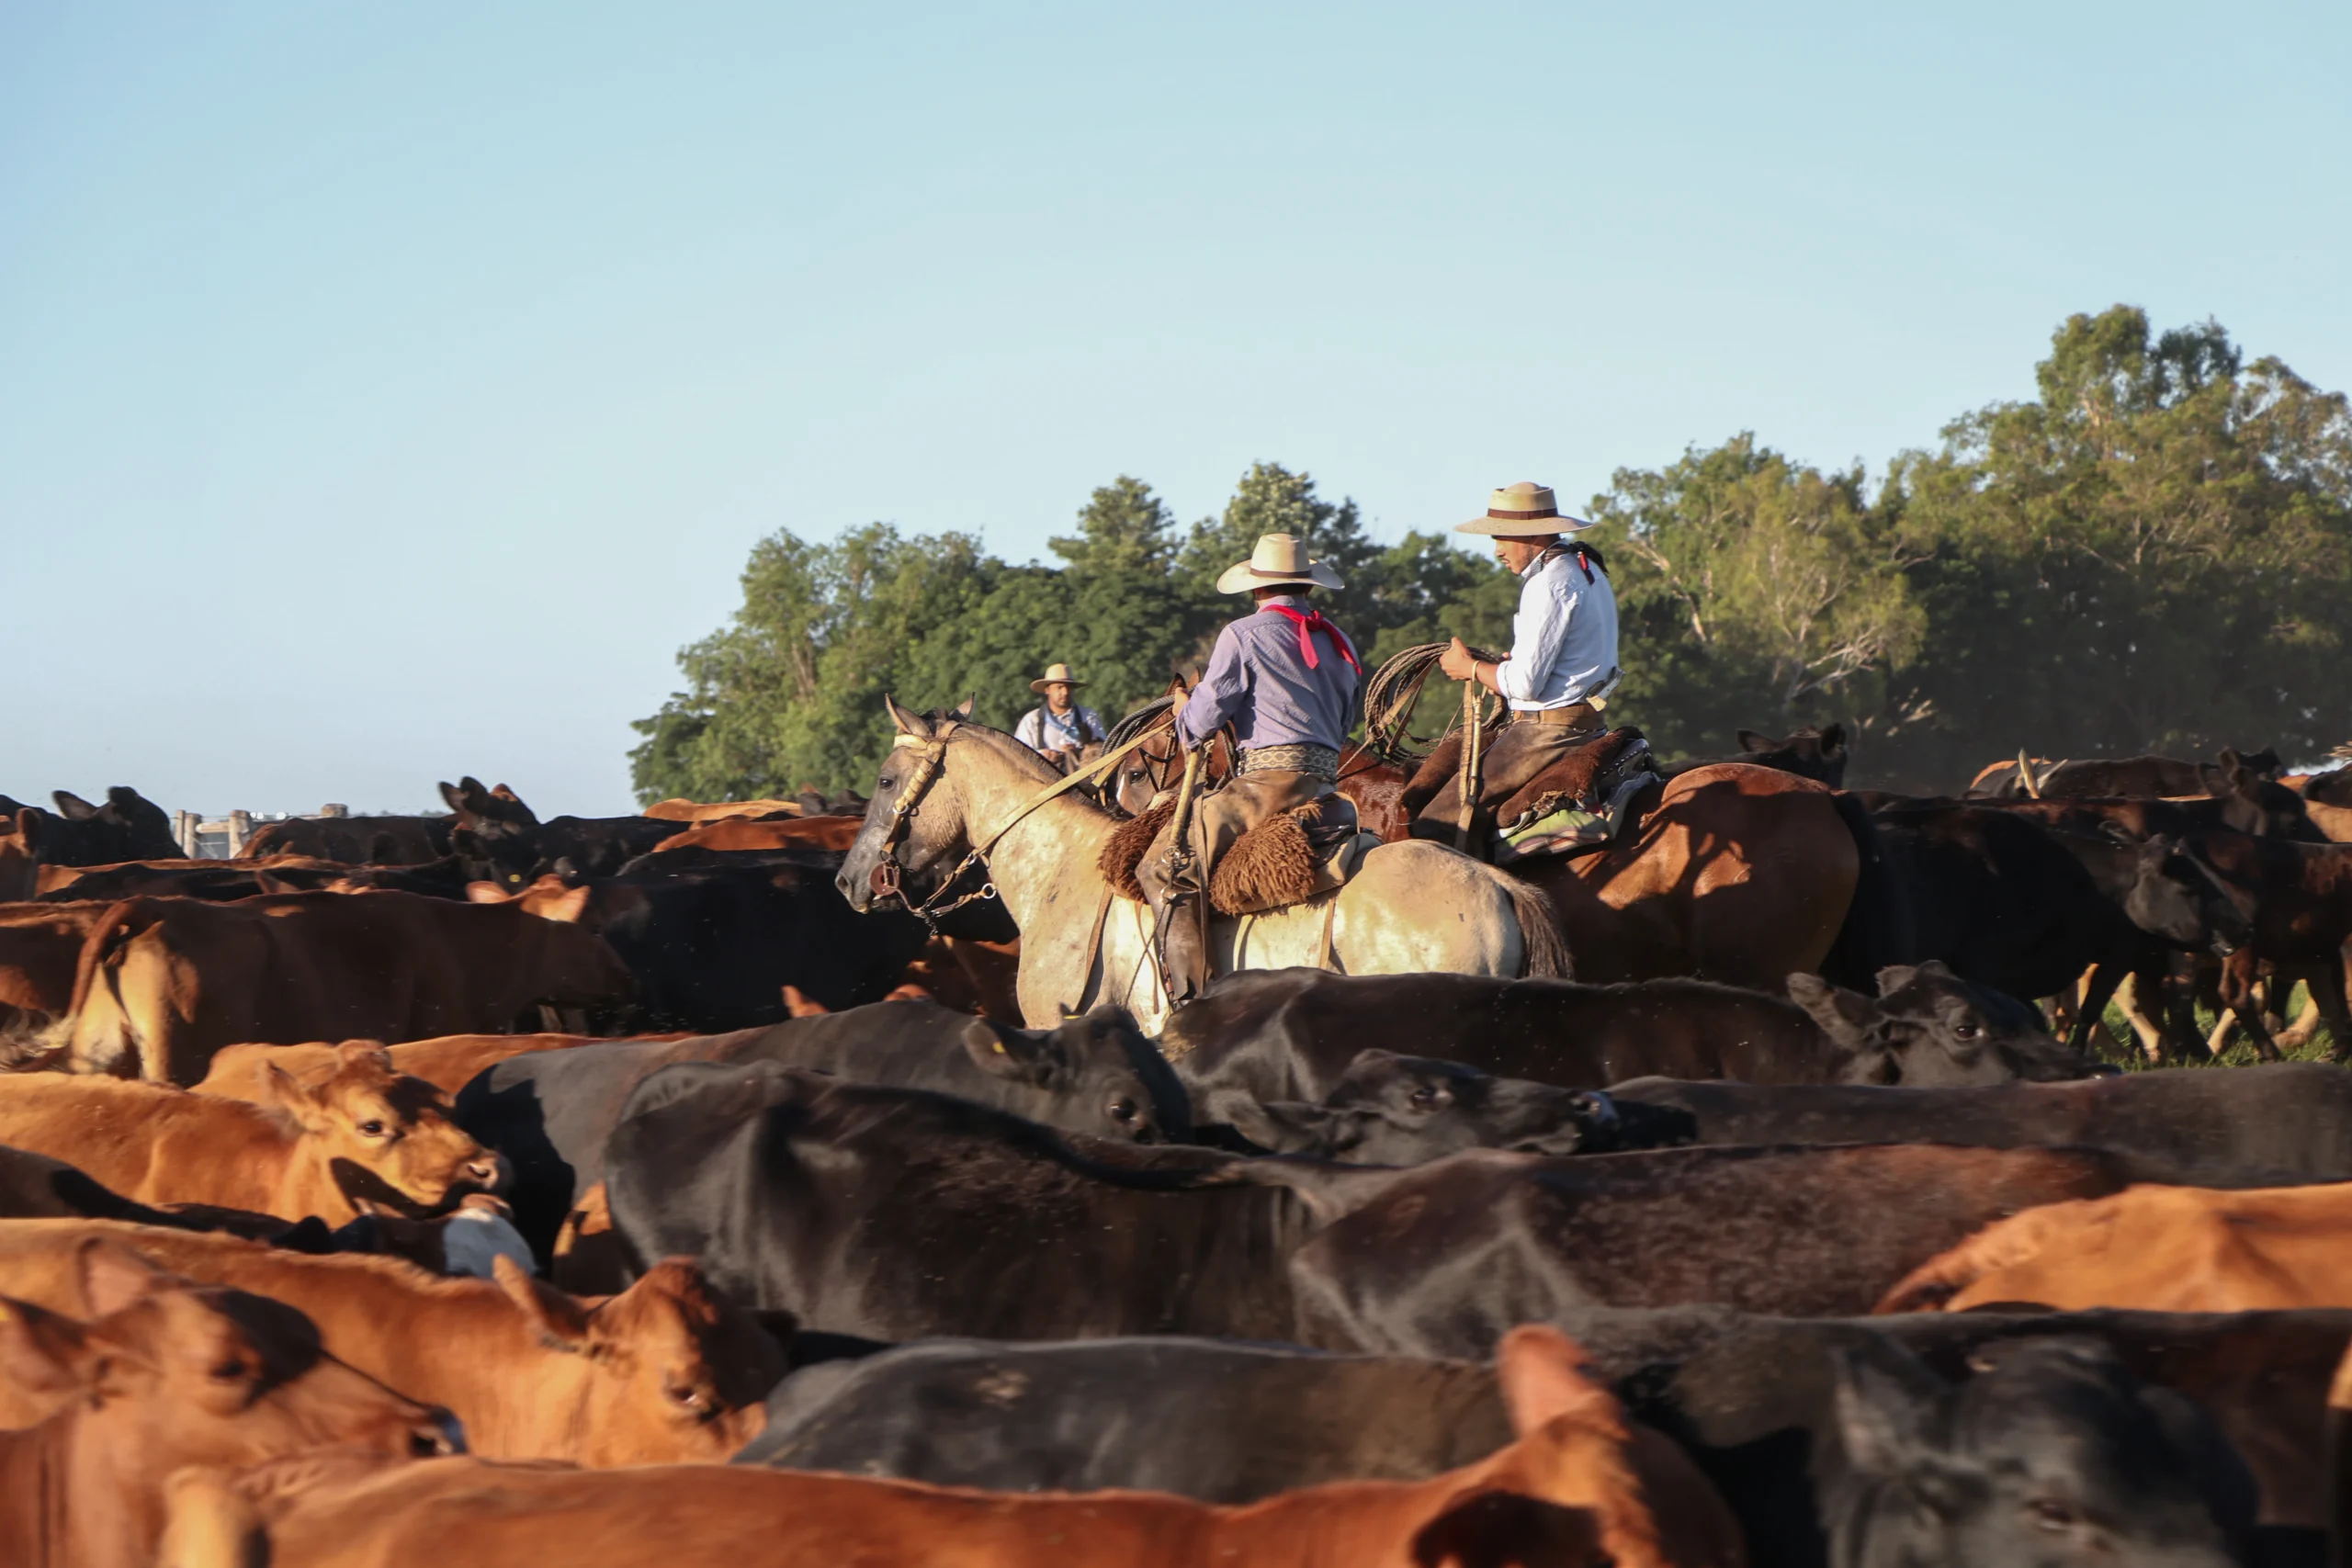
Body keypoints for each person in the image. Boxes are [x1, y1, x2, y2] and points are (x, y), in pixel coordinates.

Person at [1134, 533, 1363, 1006]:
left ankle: (1192, 1002)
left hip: (1267, 786)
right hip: (1328, 788)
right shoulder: (1340, 643)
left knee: (1161, 868)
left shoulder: (1242, 634)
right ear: (1308, 588)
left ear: (1256, 589)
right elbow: (1345, 723)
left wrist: (1184, 710)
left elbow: (1202, 721)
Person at [1419, 480, 1622, 840]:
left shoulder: (1548, 583)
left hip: (1547, 732)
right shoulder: (1586, 568)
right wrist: (1505, 667)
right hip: (1587, 722)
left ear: (1531, 536)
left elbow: (1527, 684)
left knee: (1435, 824)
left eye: (1502, 538)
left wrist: (1471, 669)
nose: (1497, 551)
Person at [1014, 663, 1106, 772]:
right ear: (1047, 690)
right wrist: (1042, 756)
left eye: (1069, 688)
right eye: (1060, 687)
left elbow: (1104, 752)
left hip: (1083, 783)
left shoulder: (1088, 717)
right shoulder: (1031, 721)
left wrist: (1081, 753)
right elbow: (1017, 756)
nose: (1065, 692)